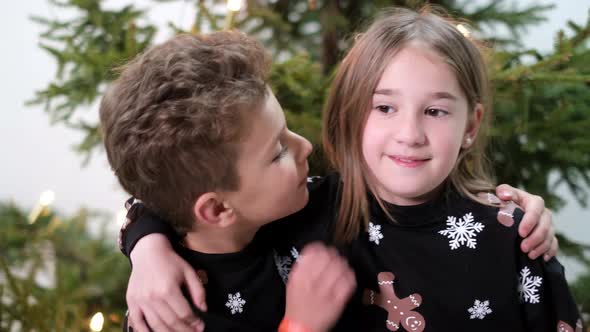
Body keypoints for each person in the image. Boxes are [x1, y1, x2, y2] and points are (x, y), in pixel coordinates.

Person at [118, 7, 565, 332]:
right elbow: (174, 188)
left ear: (472, 125)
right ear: (353, 115)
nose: (410, 133)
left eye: (436, 111)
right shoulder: (295, 212)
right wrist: (148, 247)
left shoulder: (513, 235)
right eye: (385, 107)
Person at [99, 31, 356, 332]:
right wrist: (299, 326)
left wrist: (146, 244)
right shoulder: (173, 316)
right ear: (218, 210)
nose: (305, 147)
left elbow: (146, 204)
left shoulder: (309, 202)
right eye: (278, 153)